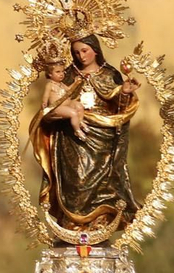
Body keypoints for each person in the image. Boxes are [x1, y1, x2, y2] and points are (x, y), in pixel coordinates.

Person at [29, 34, 141, 240]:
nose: (80, 56)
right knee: (76, 181)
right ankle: (72, 224)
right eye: (76, 52)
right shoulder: (67, 75)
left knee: (103, 184)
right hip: (71, 139)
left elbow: (119, 109)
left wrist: (124, 93)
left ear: (95, 50)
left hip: (102, 139)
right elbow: (52, 105)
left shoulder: (110, 74)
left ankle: (98, 224)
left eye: (84, 50)